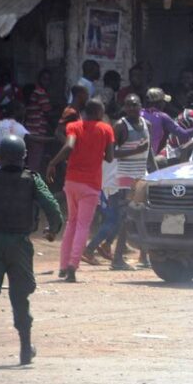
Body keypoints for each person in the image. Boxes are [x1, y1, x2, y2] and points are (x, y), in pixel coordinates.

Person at [0, 135, 62, 364]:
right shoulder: (32, 180)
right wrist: (53, 228)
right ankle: (26, 347)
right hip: (20, 245)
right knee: (20, 295)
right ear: (23, 156)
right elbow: (52, 206)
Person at [47, 99, 115, 283]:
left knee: (72, 222)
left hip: (71, 181)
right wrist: (97, 151)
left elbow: (69, 146)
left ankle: (62, 265)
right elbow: (109, 157)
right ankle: (72, 265)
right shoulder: (106, 129)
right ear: (100, 112)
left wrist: (53, 163)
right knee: (83, 225)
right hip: (91, 184)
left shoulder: (74, 126)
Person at [83, 94, 149, 270]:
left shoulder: (145, 124)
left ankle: (138, 255)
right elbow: (109, 154)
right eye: (129, 105)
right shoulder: (120, 126)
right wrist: (136, 150)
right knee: (121, 217)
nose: (132, 108)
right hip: (119, 178)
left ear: (141, 106)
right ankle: (105, 253)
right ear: (124, 108)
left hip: (138, 176)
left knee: (135, 215)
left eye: (135, 105)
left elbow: (147, 152)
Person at [142, 88, 193, 165]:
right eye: (163, 102)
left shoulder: (138, 113)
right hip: (149, 158)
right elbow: (184, 134)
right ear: (159, 103)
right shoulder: (163, 117)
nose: (165, 104)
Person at [24, 69, 55, 173]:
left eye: (49, 80)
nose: (47, 82)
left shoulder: (35, 92)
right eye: (44, 79)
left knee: (32, 162)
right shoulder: (40, 92)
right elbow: (48, 113)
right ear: (39, 80)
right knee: (34, 165)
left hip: (31, 130)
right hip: (37, 132)